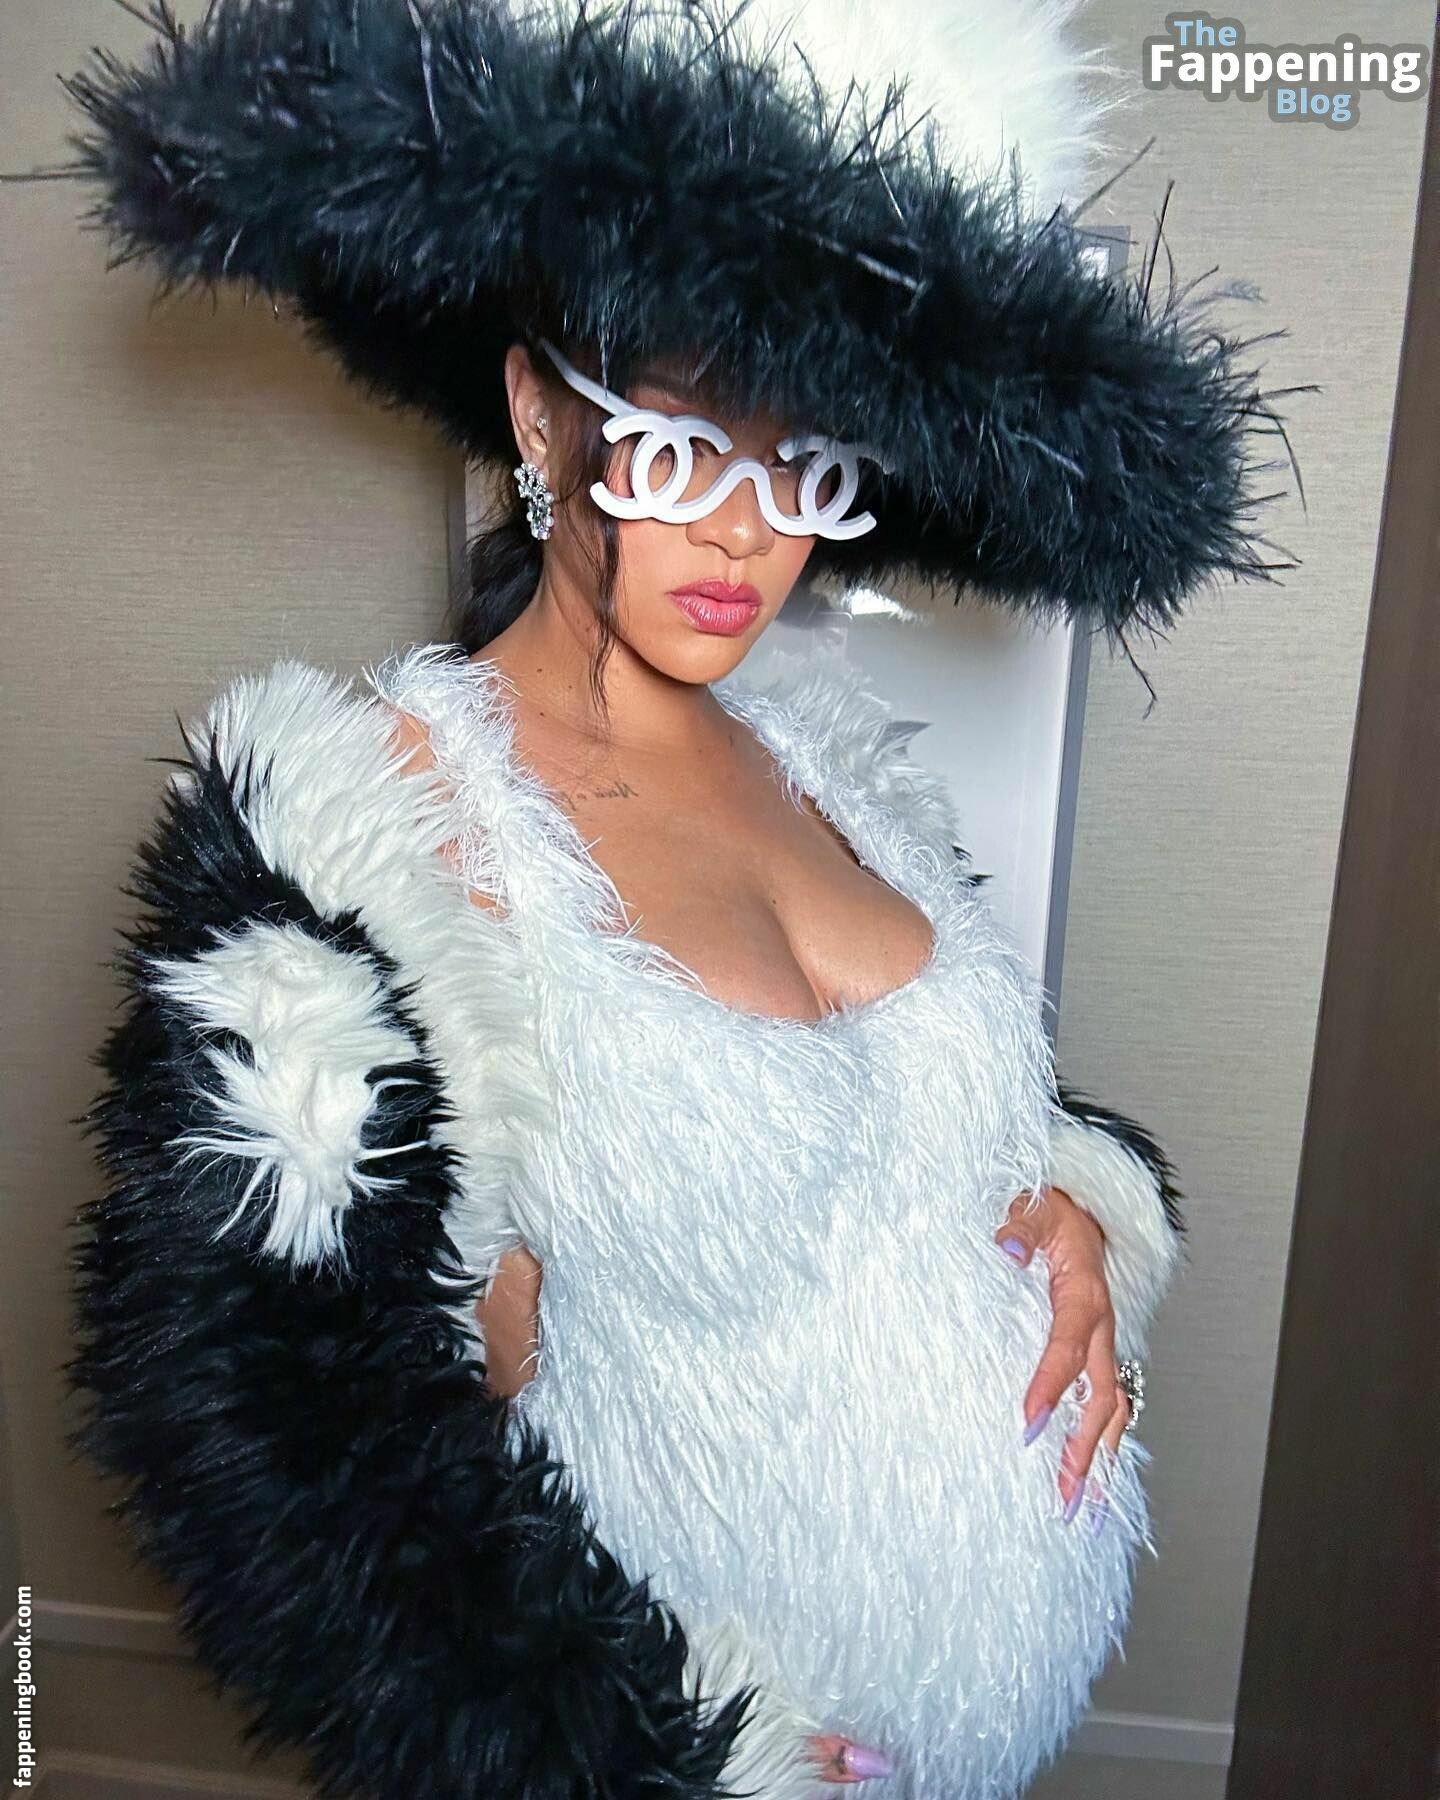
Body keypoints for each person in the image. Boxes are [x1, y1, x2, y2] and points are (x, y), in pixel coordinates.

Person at [3, 0, 1294, 1793]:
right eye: (684, 447)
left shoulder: (838, 762)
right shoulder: (379, 822)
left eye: (806, 463)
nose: (749, 533)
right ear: (540, 414)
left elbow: (930, 1124)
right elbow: (265, 1450)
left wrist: (1078, 1206)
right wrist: (658, 1758)